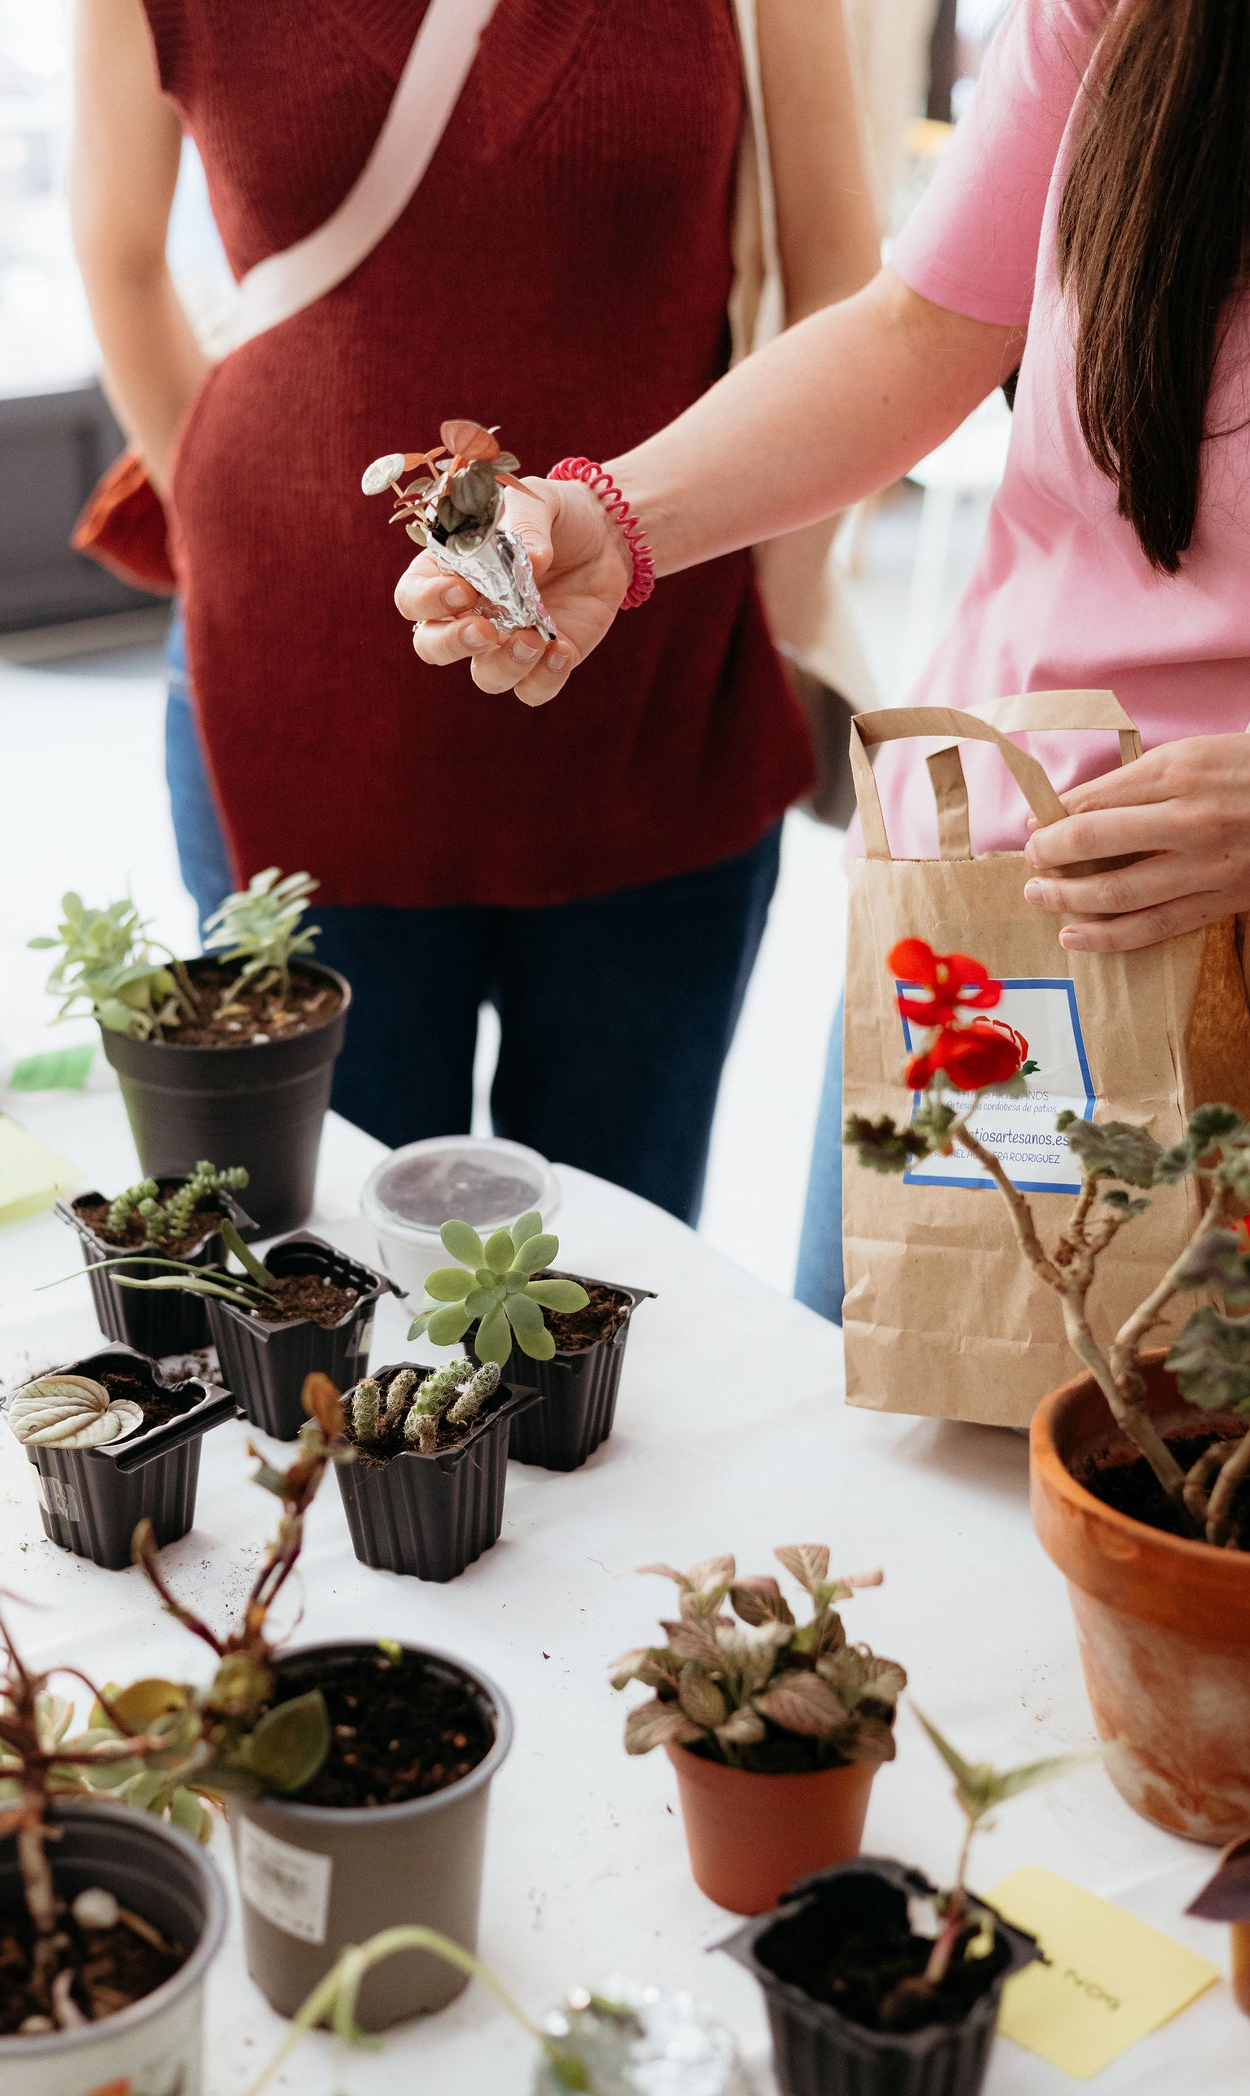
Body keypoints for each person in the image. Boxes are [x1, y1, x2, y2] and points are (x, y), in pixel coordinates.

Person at [396, 0, 1250, 1301]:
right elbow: (918, 331)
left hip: (1219, 970)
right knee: (887, 1458)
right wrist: (609, 523)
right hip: (992, 923)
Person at [69, 0, 881, 1225]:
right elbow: (117, 256)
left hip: (655, 675)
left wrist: (773, 579)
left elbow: (840, 280)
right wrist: (238, 524)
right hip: (297, 707)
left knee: (619, 1254)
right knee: (326, 1257)